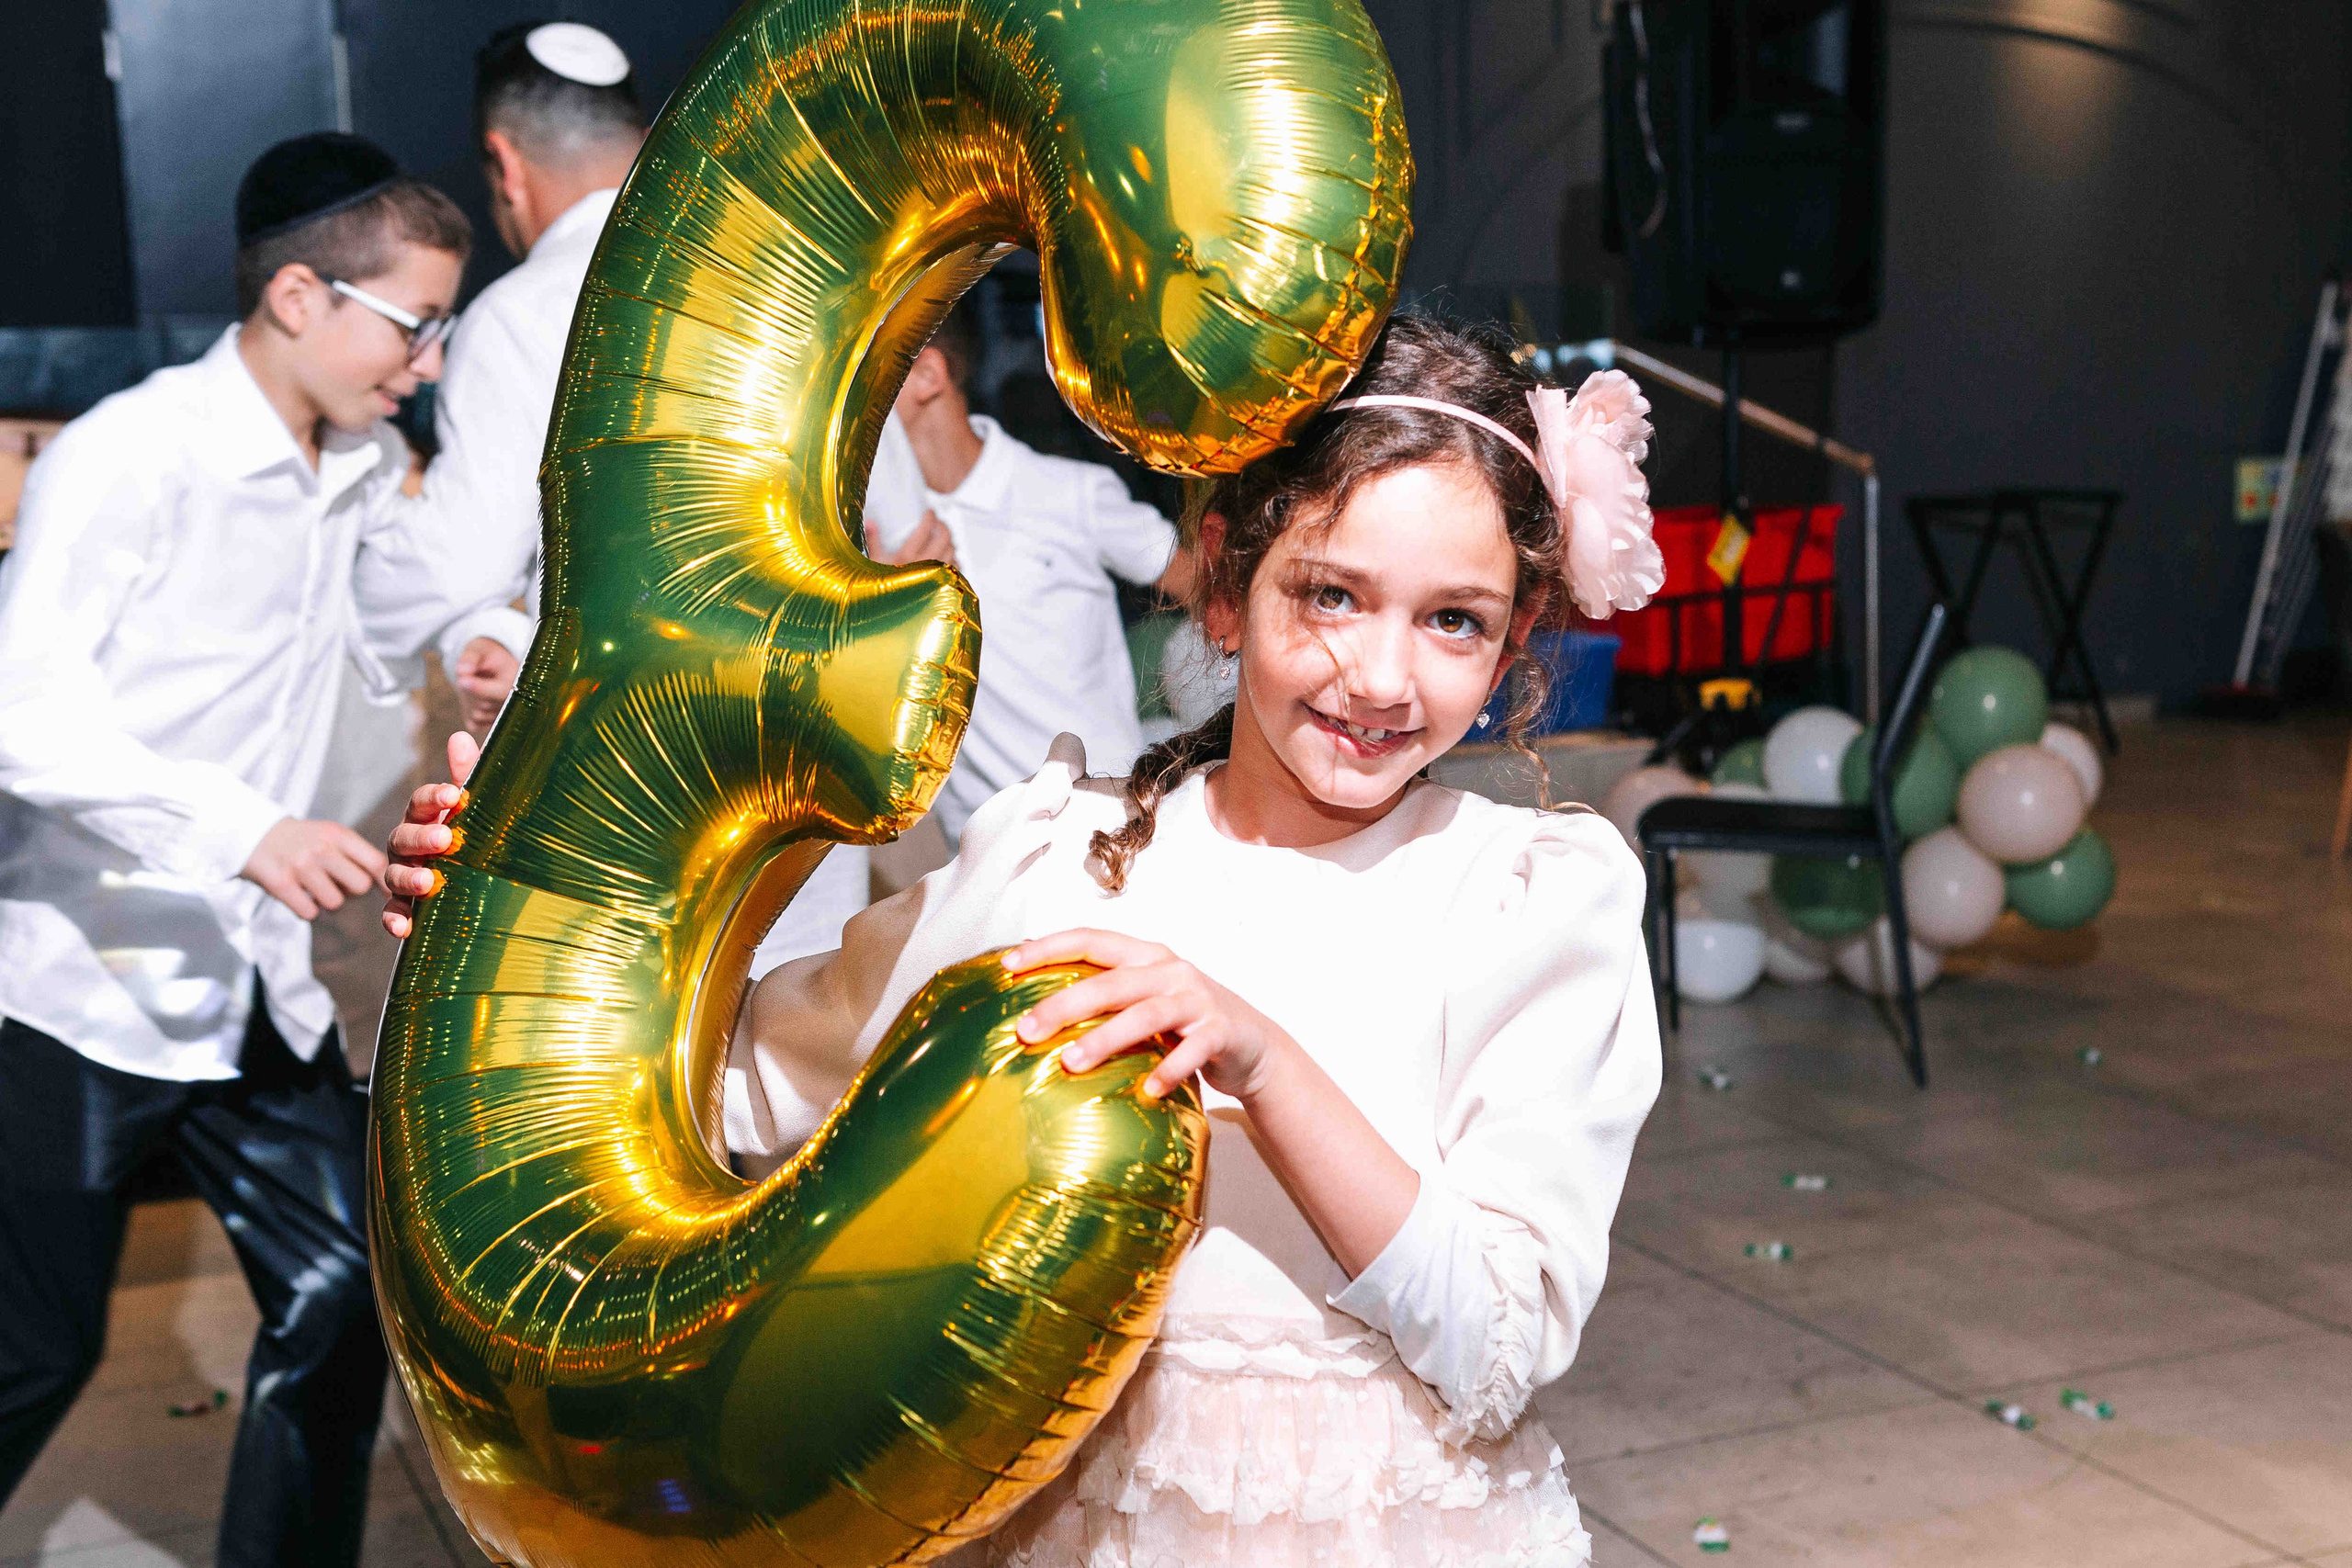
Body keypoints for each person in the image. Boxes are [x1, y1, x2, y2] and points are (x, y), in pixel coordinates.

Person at [382, 312, 1667, 1563]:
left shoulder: (1532, 896)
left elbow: (1497, 1340)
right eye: (1331, 595)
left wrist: (1265, 1062)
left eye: (1456, 619)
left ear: (1513, 639)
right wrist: (512, 918)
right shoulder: (1056, 861)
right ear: (1223, 587)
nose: (1384, 677)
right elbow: (737, 1086)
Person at [0, 133, 480, 1565]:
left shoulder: (365, 461)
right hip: (89, 983)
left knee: (345, 1289)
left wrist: (480, 643)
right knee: (34, 1349)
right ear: (295, 298)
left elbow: (391, 620)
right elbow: (19, 709)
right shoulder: (131, 453)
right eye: (415, 323)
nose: (434, 361)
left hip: (255, 986)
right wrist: (242, 829)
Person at [377, 18, 875, 968]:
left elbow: (456, 562)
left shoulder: (521, 314)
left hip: (629, 783)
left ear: (502, 164)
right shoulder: (789, 285)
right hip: (808, 761)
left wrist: (451, 619)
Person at [867, 299, 1196, 846]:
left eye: (868, 376)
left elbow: (1204, 585)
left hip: (1109, 831)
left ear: (927, 374)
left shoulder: (1066, 492)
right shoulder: (874, 545)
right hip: (981, 863)